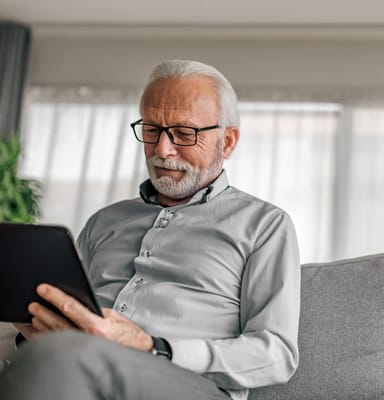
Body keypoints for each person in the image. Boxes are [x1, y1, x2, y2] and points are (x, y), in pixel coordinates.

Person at [0, 60, 301, 400]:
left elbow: (277, 354)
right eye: (152, 130)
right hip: (73, 367)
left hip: (188, 384)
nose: (162, 150)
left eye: (184, 133)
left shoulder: (264, 224)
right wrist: (41, 331)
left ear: (227, 142)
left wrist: (153, 347)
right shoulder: (104, 222)